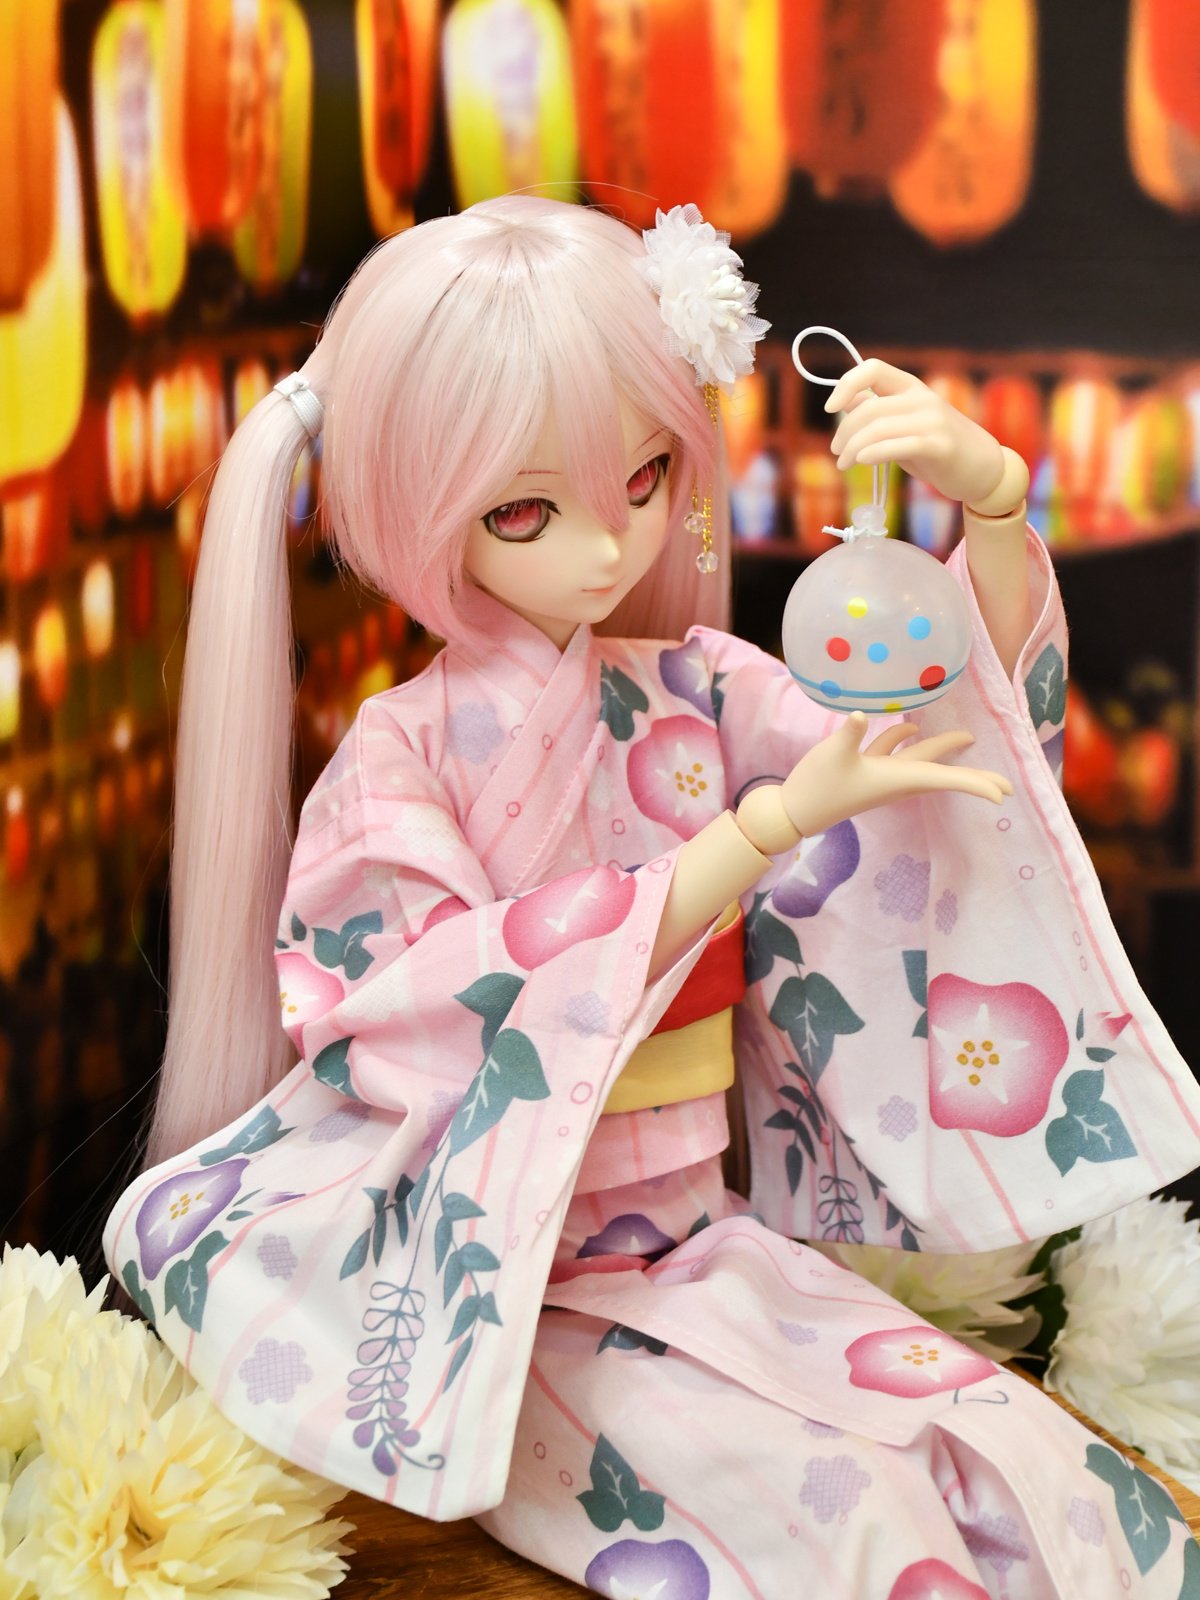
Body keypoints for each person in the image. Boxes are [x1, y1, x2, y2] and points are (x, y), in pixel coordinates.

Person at [104, 196, 1200, 1598]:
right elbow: (442, 1004)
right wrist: (755, 835)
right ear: (422, 506)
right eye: (527, 510)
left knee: (1034, 1464)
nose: (610, 546)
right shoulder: (401, 759)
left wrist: (989, 509)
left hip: (710, 1245)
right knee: (863, 1532)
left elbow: (922, 752)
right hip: (515, 1303)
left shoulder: (694, 690)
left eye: (643, 476)